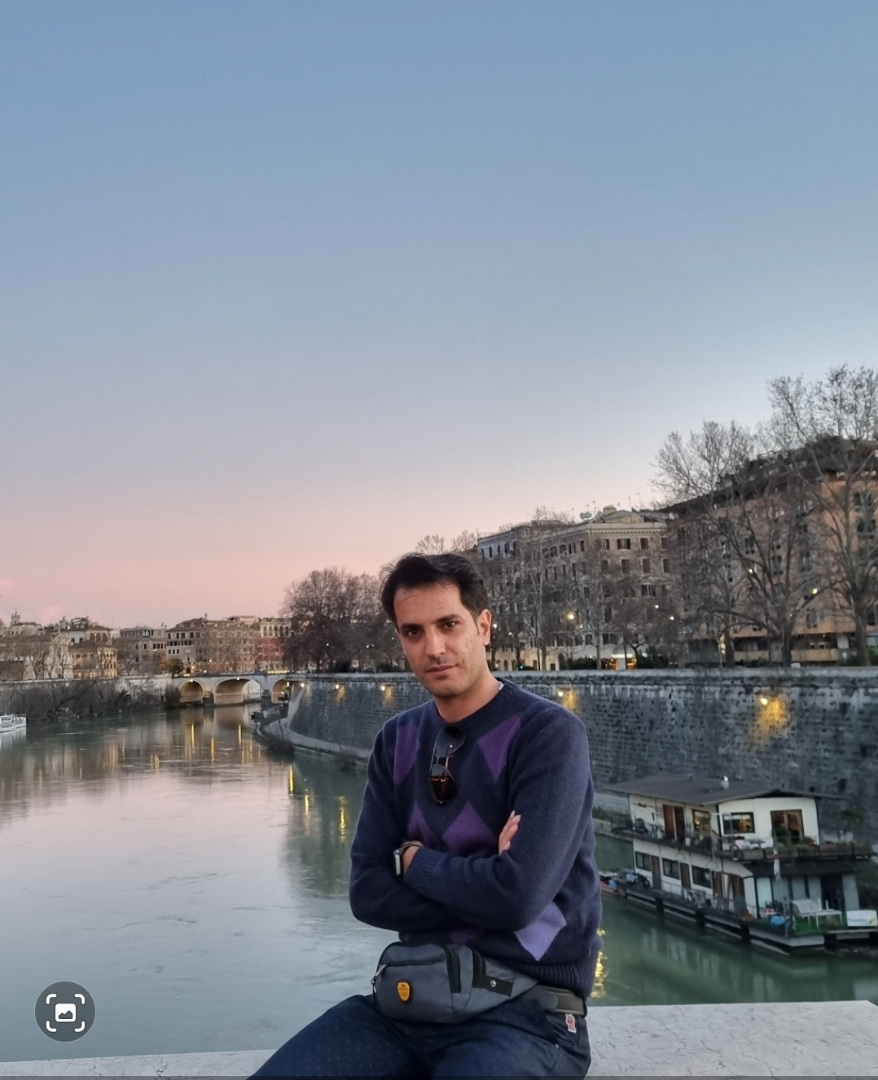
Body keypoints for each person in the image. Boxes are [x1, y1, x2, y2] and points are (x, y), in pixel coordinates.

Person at [252, 552, 601, 1077]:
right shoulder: (397, 740)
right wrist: (487, 878)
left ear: (483, 627)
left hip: (527, 1014)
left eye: (449, 624)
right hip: (409, 1002)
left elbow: (517, 898)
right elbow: (367, 892)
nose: (432, 647)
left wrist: (415, 863)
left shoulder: (547, 735)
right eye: (413, 632)